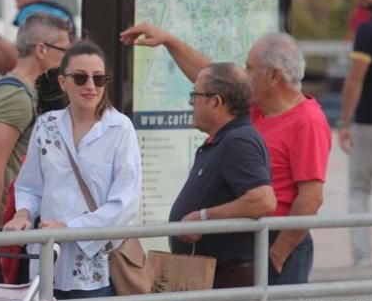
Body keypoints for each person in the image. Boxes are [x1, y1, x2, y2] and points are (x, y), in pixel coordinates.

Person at [120, 23, 332, 284]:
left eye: (250, 68)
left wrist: (278, 252)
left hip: (277, 246)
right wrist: (170, 41)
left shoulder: (307, 121)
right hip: (250, 246)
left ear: (274, 76)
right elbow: (212, 80)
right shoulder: (257, 108)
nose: (244, 74)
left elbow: (311, 198)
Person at [4, 40, 141, 298]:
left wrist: (70, 228)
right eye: (80, 78)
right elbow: (30, 185)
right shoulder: (46, 125)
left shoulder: (120, 129)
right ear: (63, 82)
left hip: (94, 270)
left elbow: (125, 203)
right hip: (45, 264)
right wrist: (22, 214)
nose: (90, 86)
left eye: (98, 79)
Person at [0, 13, 72, 277]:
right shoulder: (17, 97)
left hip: (16, 228)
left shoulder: (15, 90)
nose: (68, 60)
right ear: (41, 49)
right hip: (9, 232)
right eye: (64, 49)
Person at [169, 62, 276, 287]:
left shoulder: (238, 141)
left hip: (226, 282)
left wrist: (203, 217)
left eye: (195, 94)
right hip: (210, 277)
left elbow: (263, 200)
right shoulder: (226, 139)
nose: (191, 102)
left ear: (216, 102)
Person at [337, 0, 372, 267]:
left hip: (370, 124)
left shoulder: (368, 32)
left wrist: (344, 122)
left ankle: (362, 261)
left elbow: (355, 80)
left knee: (358, 191)